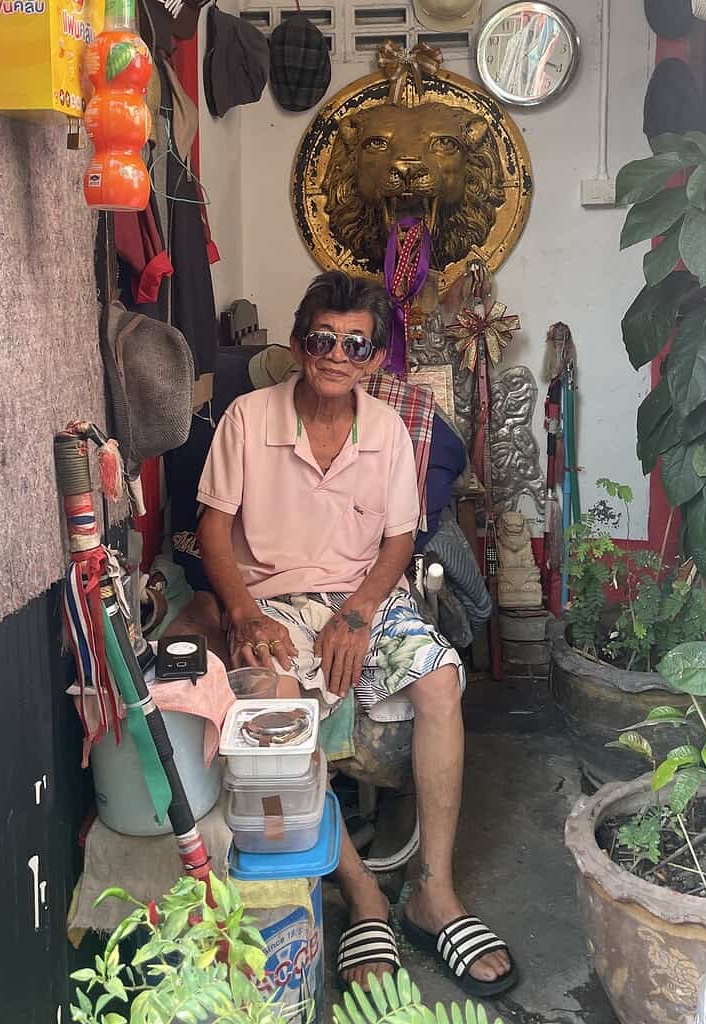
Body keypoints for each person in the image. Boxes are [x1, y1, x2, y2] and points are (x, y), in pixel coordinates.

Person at [196, 270, 517, 998]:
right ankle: (364, 895)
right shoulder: (247, 418)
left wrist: (358, 611)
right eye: (321, 338)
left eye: (354, 343)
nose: (335, 354)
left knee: (437, 676)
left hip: (362, 594)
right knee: (274, 700)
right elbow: (213, 529)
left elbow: (400, 542)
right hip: (271, 598)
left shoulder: (388, 431)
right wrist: (242, 612)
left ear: (374, 359)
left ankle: (434, 890)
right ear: (297, 342)